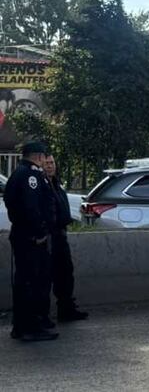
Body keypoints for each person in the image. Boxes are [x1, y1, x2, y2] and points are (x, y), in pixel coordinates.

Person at [3, 141, 58, 342]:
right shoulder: (30, 175)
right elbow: (31, 207)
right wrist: (39, 232)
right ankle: (28, 327)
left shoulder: (21, 173)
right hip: (31, 238)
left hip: (24, 235)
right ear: (38, 157)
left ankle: (25, 325)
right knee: (30, 282)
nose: (46, 161)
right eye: (45, 157)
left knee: (29, 280)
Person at [43, 155, 87, 322]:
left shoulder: (56, 184)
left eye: (52, 163)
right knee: (48, 276)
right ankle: (44, 315)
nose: (50, 166)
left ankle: (66, 308)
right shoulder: (41, 185)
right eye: (46, 163)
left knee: (66, 274)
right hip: (50, 236)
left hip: (61, 235)